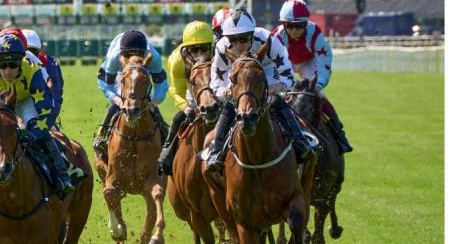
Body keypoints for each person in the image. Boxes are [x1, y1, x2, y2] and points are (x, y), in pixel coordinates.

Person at [205, 9, 314, 174]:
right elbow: (216, 83)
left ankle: (299, 141)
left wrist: (276, 87)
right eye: (233, 40)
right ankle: (216, 151)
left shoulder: (269, 40)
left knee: (274, 101)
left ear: (251, 34)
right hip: (236, 72)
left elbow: (289, 77)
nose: (238, 45)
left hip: (266, 71)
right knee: (230, 105)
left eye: (243, 39)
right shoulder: (222, 47)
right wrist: (225, 93)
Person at [0, 33, 74, 196]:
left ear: (21, 61)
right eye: (3, 65)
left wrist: (34, 133)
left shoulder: (32, 70)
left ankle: (62, 176)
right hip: (0, 99)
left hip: (26, 100)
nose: (8, 70)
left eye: (13, 64)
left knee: (40, 132)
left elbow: (46, 109)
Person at [273, 0, 353, 153]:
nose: (295, 31)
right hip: (285, 64)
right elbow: (273, 65)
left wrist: (319, 84)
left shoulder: (314, 33)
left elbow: (324, 60)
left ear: (306, 24)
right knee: (278, 97)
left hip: (308, 63)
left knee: (319, 95)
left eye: (299, 26)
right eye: (290, 26)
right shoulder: (277, 37)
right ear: (283, 24)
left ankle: (339, 134)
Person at [93, 29, 169, 157]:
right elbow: (105, 85)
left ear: (144, 53)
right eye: (128, 55)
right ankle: (102, 136)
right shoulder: (114, 58)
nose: (133, 58)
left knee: (147, 100)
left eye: (138, 54)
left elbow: (161, 85)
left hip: (143, 70)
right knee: (119, 103)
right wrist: (118, 101)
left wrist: (153, 103)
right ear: (122, 54)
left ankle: (167, 141)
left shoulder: (154, 58)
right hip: (120, 72)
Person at [157, 20, 215, 175]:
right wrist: (186, 107)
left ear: (211, 46)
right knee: (178, 119)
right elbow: (176, 90)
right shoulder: (177, 61)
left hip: (217, 87)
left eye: (204, 49)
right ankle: (166, 155)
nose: (200, 55)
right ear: (186, 50)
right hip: (192, 89)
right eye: (195, 50)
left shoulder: (219, 53)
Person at [22, 28, 64, 126]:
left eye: (32, 51)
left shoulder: (50, 65)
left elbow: (56, 95)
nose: (29, 55)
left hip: (43, 114)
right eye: (26, 51)